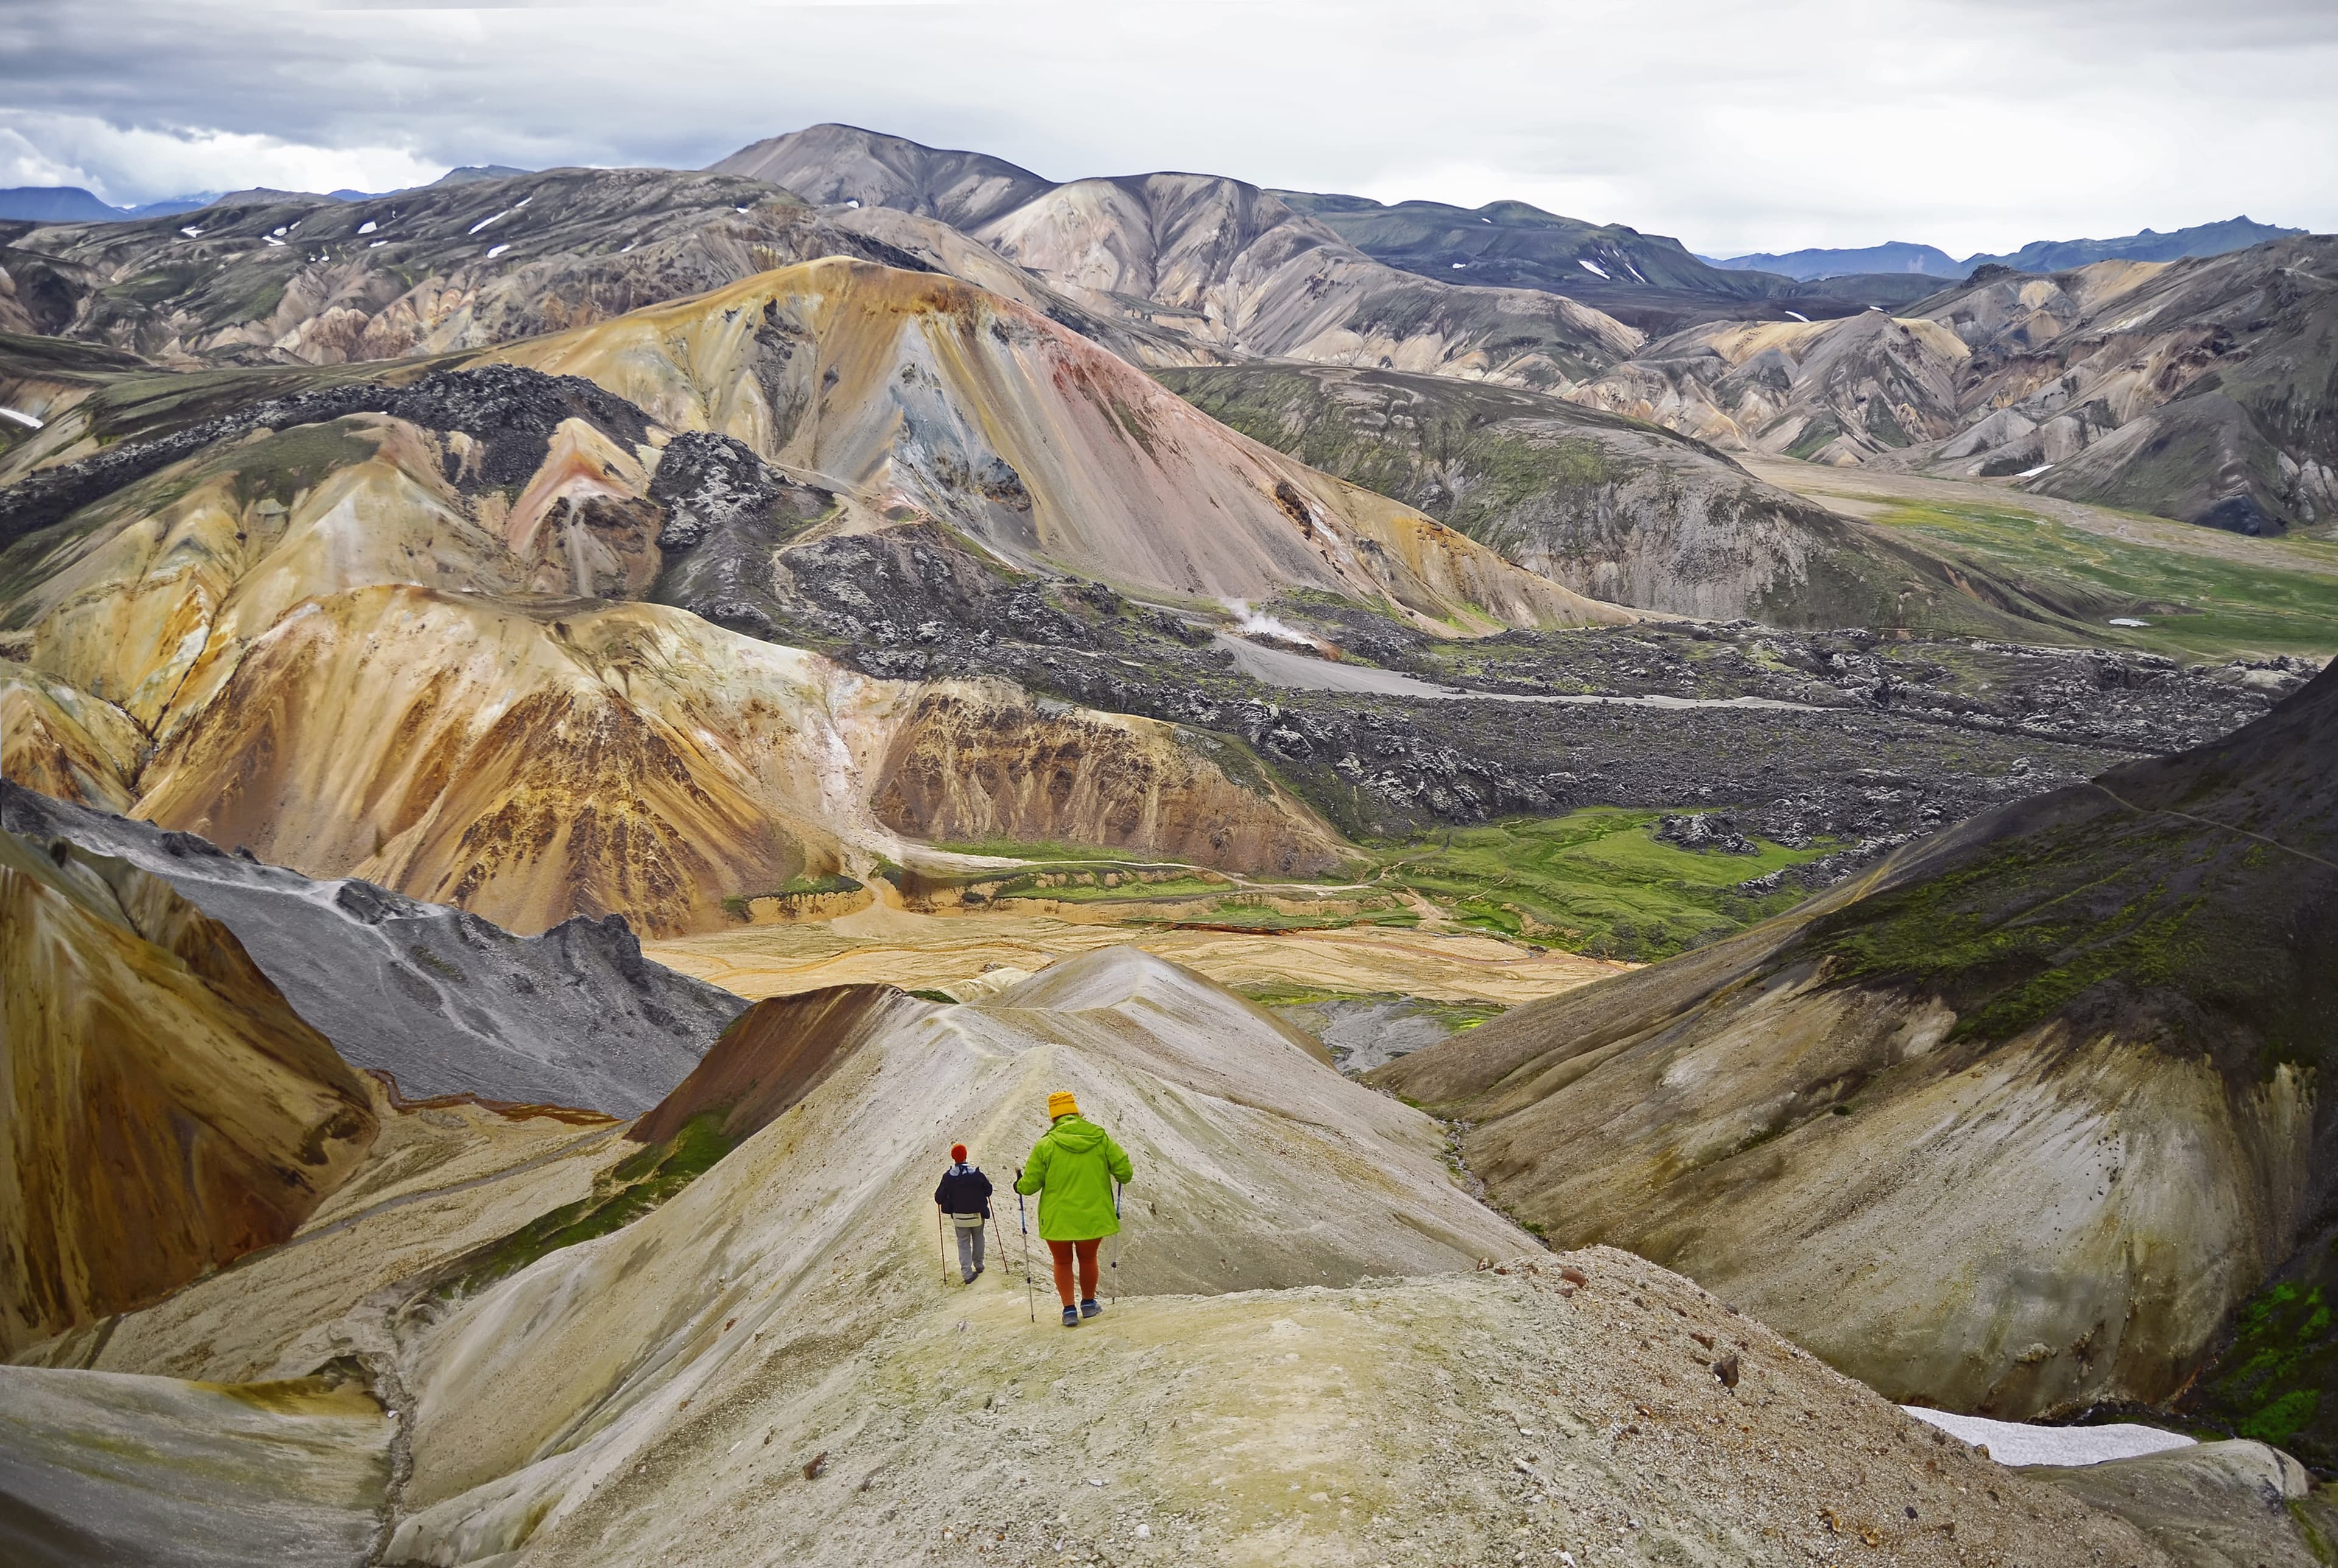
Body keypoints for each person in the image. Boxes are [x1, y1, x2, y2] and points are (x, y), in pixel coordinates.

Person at [1014, 1090, 1133, 1328]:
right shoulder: (1101, 1138)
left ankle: (1069, 1310)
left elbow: (1029, 1187)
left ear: (1053, 1118)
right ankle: (1089, 1304)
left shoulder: (1045, 1145)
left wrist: (1018, 1184)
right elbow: (1125, 1173)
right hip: (1094, 1215)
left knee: (1062, 1262)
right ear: (1077, 1113)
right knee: (1088, 1259)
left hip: (1058, 1217)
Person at [933, 1143, 993, 1284]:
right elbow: (989, 1191)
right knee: (979, 1237)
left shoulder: (948, 1177)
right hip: (977, 1215)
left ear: (953, 1158)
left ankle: (967, 1274)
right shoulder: (976, 1174)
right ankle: (979, 1265)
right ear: (965, 1155)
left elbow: (939, 1198)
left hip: (959, 1217)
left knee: (963, 1243)